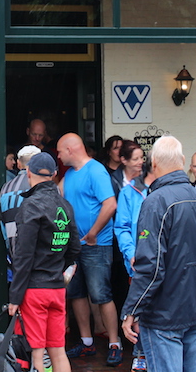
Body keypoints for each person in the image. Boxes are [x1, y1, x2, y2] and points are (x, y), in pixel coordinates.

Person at [121, 135, 196, 372]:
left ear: (153, 163)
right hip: (195, 309)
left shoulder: (155, 202)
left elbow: (151, 265)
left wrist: (132, 309)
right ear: (183, 161)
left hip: (164, 315)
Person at [7, 152, 81, 372]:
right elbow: (75, 248)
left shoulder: (30, 206)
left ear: (28, 172)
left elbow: (23, 256)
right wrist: (57, 267)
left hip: (34, 290)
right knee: (58, 351)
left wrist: (15, 297)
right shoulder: (65, 205)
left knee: (37, 353)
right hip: (57, 288)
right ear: (55, 174)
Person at [57, 133, 122, 365]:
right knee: (76, 294)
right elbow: (55, 194)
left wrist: (93, 232)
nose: (58, 156)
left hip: (96, 245)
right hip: (74, 247)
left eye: (60, 151)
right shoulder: (69, 175)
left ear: (70, 150)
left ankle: (114, 343)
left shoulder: (95, 171)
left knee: (101, 294)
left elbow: (110, 204)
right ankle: (86, 342)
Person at [113, 141, 151, 372]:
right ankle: (140, 355)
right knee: (137, 309)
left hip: (163, 261)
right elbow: (122, 227)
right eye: (135, 158)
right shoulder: (129, 192)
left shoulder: (160, 189)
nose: (141, 163)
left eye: (142, 159)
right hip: (138, 262)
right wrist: (130, 253)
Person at [0, 145, 42, 278]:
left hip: (15, 256)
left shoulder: (5, 188)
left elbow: (2, 224)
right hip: (40, 258)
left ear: (18, 164)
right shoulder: (43, 187)